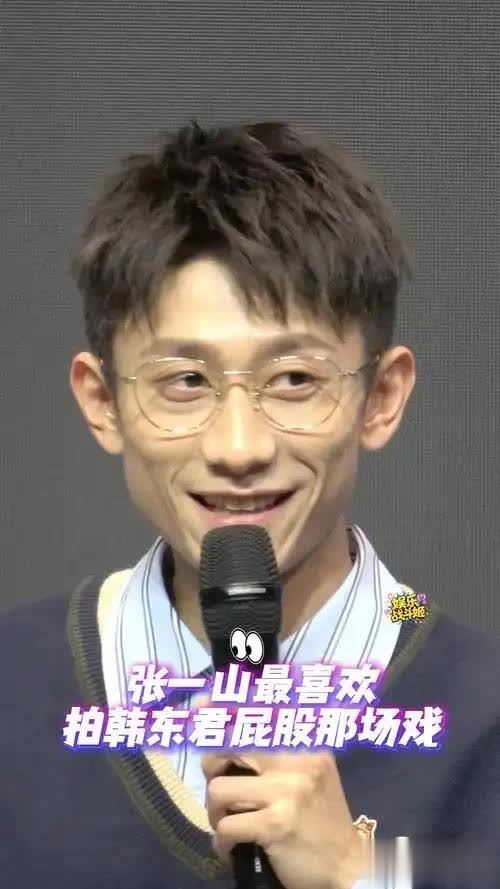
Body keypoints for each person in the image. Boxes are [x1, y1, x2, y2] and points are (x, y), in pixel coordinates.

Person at [0, 120, 499, 889]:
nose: (239, 447)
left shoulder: (482, 708)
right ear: (102, 402)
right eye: (184, 382)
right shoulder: (14, 681)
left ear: (381, 396)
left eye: (295, 379)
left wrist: (361, 874)